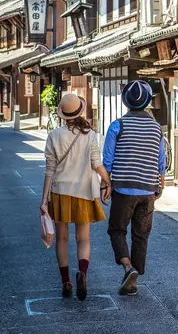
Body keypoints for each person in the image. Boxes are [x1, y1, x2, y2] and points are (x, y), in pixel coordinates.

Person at [40, 94, 112, 301]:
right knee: (83, 238)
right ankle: (83, 273)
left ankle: (66, 282)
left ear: (62, 115)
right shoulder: (90, 134)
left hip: (60, 193)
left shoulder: (54, 135)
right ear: (80, 111)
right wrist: (107, 181)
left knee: (62, 238)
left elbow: (49, 170)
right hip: (84, 193)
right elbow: (97, 164)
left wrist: (44, 200)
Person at [102, 80, 166, 296]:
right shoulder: (157, 128)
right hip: (148, 189)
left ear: (126, 102)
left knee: (117, 229)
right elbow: (161, 161)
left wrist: (106, 184)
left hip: (123, 188)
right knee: (141, 234)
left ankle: (128, 267)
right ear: (147, 101)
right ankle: (134, 277)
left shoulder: (117, 125)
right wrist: (160, 185)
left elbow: (108, 160)